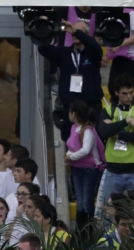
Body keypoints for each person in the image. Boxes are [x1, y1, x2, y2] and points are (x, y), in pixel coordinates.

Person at [37, 20, 102, 141]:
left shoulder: (92, 53)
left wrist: (75, 31)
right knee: (70, 141)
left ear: (86, 35)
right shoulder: (64, 53)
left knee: (92, 140)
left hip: (90, 106)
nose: (74, 35)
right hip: (70, 107)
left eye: (78, 32)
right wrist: (50, 29)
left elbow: (95, 46)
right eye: (71, 32)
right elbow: (43, 48)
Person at [96, 75, 134, 215]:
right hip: (113, 170)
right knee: (110, 212)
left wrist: (117, 133)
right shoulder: (108, 109)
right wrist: (126, 122)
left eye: (131, 92)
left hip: (133, 168)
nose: (129, 96)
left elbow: (111, 131)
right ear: (117, 92)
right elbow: (104, 132)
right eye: (125, 93)